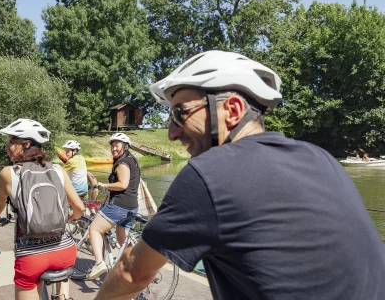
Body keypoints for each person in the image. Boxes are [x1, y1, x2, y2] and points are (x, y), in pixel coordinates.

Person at [96, 50, 385, 300]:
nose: (172, 133)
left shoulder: (211, 174)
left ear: (231, 111)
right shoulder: (319, 157)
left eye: (180, 114)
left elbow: (131, 272)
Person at [0, 119, 84, 300]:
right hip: (64, 251)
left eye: (11, 141)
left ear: (27, 144)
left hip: (31, 257)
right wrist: (70, 218)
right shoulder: (58, 169)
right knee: (62, 284)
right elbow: (79, 207)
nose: (7, 147)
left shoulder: (9, 173)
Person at [86, 132, 141, 280]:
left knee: (95, 229)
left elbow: (123, 184)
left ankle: (99, 263)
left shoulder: (122, 163)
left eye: (116, 145)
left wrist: (104, 184)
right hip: (132, 206)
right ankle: (135, 267)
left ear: (125, 146)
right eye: (112, 145)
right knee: (122, 240)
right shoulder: (132, 160)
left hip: (120, 206)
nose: (113, 148)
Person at [59, 140, 99, 206]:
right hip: (85, 192)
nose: (66, 153)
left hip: (75, 193)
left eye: (67, 151)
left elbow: (61, 174)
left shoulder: (71, 161)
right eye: (65, 151)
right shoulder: (82, 158)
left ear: (74, 150)